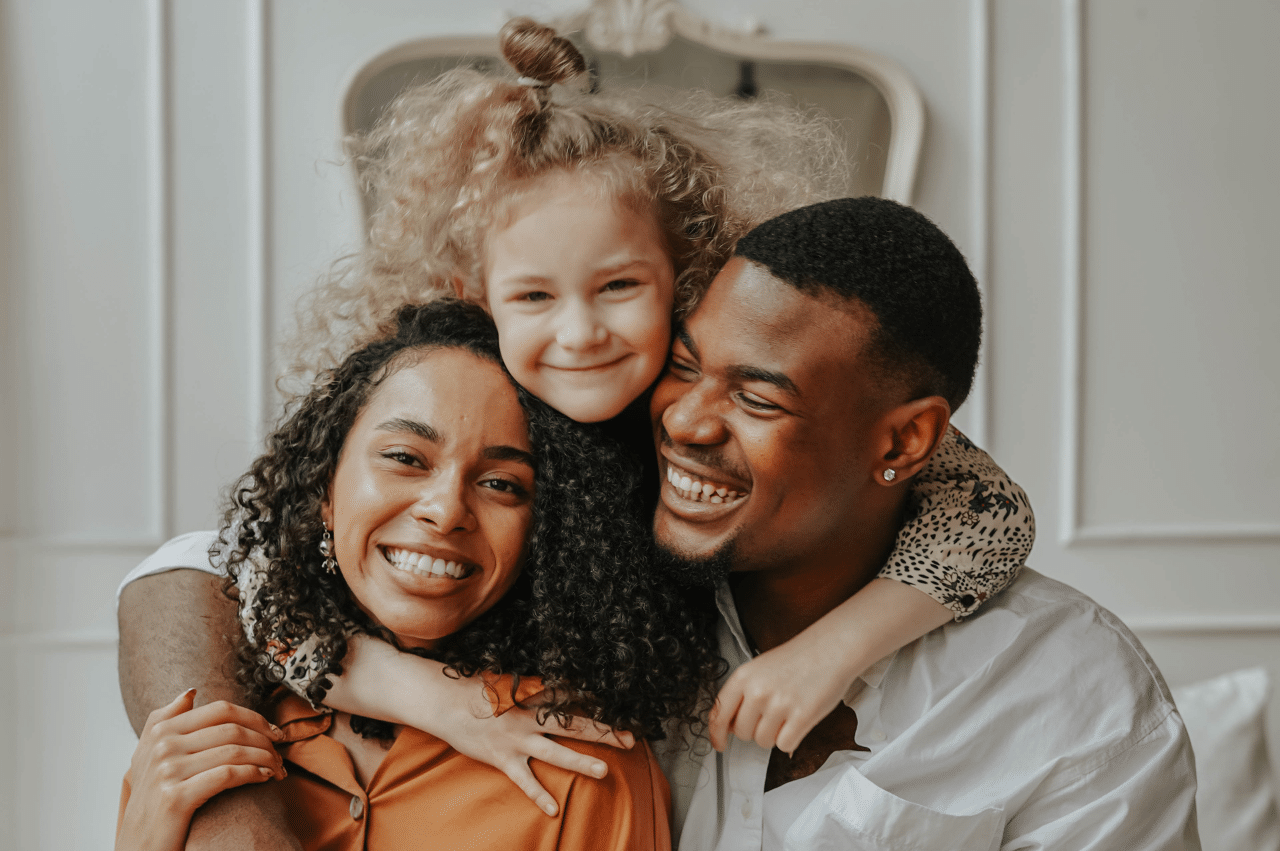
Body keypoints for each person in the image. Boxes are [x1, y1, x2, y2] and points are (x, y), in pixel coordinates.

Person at [116, 18, 1034, 845]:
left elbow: (988, 510)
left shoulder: (698, 408)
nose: (581, 332)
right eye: (533, 297)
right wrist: (439, 701)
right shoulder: (470, 396)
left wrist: (832, 650)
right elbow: (243, 571)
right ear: (478, 296)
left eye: (621, 287)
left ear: (686, 273)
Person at [652, 196, 1199, 849]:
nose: (685, 420)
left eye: (759, 398)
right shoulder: (594, 596)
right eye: (682, 365)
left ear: (907, 441)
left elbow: (993, 507)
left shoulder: (1069, 689)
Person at [117, 299, 716, 850]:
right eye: (405, 458)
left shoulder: (578, 765)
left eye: (502, 484)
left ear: (546, 531)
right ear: (325, 488)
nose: (446, 509)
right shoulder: (217, 721)